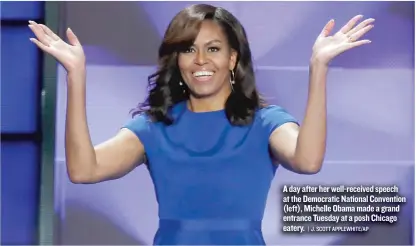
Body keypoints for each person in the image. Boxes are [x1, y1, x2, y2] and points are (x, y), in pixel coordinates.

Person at [29, 3, 374, 245]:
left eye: (213, 49)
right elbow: (83, 169)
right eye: (189, 49)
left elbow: (308, 160)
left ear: (232, 58)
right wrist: (76, 75)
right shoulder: (153, 128)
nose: (200, 61)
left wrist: (318, 68)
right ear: (176, 59)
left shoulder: (265, 123)